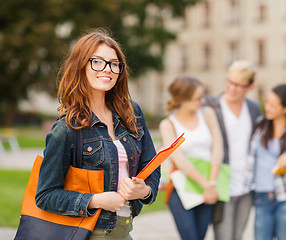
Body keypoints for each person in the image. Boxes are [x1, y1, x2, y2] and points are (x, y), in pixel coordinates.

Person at [35, 30, 160, 240]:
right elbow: (45, 196)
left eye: (114, 64)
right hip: (90, 232)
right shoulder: (67, 129)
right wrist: (96, 200)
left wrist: (144, 191)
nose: (107, 69)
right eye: (98, 62)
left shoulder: (132, 113)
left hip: (124, 229)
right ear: (81, 65)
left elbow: (152, 166)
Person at [159, 75, 223, 240]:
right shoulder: (168, 124)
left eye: (203, 96)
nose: (202, 101)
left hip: (210, 184)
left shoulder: (207, 114)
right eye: (198, 98)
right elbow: (179, 160)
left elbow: (218, 147)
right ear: (182, 100)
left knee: (200, 236)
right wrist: (206, 185)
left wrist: (212, 184)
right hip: (181, 189)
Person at [243, 84, 286, 240]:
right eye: (267, 103)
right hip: (261, 197)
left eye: (273, 106)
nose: (267, 108)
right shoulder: (260, 127)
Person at [205, 60, 261, 240]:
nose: (232, 88)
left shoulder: (253, 108)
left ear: (250, 87)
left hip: (246, 184)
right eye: (229, 82)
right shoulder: (210, 105)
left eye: (238, 85)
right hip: (222, 183)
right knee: (223, 236)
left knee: (238, 235)